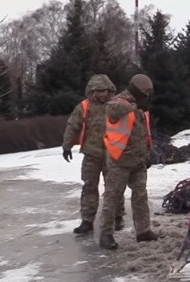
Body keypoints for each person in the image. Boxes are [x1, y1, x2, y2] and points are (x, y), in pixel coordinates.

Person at [98, 73, 159, 250]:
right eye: (145, 92)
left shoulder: (141, 107)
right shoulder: (120, 102)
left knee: (140, 195)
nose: (147, 95)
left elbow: (143, 133)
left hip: (138, 161)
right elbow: (112, 110)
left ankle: (143, 231)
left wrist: (147, 154)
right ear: (137, 90)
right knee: (112, 197)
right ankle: (105, 234)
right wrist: (133, 106)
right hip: (119, 161)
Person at [62, 74, 126, 235]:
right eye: (99, 91)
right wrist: (67, 146)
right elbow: (73, 125)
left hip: (113, 154)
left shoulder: (118, 106)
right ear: (92, 91)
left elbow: (129, 127)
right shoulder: (84, 107)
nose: (103, 94)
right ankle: (87, 220)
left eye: (106, 90)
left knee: (114, 187)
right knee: (89, 186)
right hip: (91, 154)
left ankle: (118, 216)